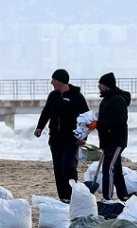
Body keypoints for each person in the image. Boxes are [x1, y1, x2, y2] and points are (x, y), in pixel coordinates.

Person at [34, 69, 89, 202]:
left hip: (72, 138)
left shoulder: (76, 96)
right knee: (58, 168)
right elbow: (46, 112)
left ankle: (73, 194)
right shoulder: (53, 95)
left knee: (67, 165)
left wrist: (84, 137)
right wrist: (39, 127)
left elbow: (87, 117)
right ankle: (64, 197)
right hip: (55, 138)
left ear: (60, 81)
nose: (51, 82)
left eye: (53, 80)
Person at [95, 72, 131, 201]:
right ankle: (124, 195)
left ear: (107, 85)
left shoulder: (118, 100)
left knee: (108, 168)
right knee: (116, 170)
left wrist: (98, 124)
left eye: (101, 84)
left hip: (116, 141)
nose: (99, 86)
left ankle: (107, 197)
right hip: (107, 141)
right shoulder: (106, 100)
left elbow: (117, 121)